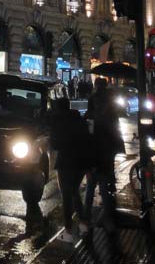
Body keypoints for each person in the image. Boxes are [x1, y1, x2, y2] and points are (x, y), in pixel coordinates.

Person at [50, 96, 93, 242]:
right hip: (81, 162)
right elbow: (88, 140)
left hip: (66, 162)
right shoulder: (79, 120)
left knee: (67, 196)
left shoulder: (59, 122)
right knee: (74, 192)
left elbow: (55, 144)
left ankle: (68, 230)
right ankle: (83, 224)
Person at [84, 77, 124, 231]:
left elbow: (87, 132)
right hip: (107, 150)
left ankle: (86, 218)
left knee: (90, 187)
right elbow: (115, 126)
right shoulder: (111, 105)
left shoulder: (92, 107)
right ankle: (109, 220)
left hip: (93, 151)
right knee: (103, 185)